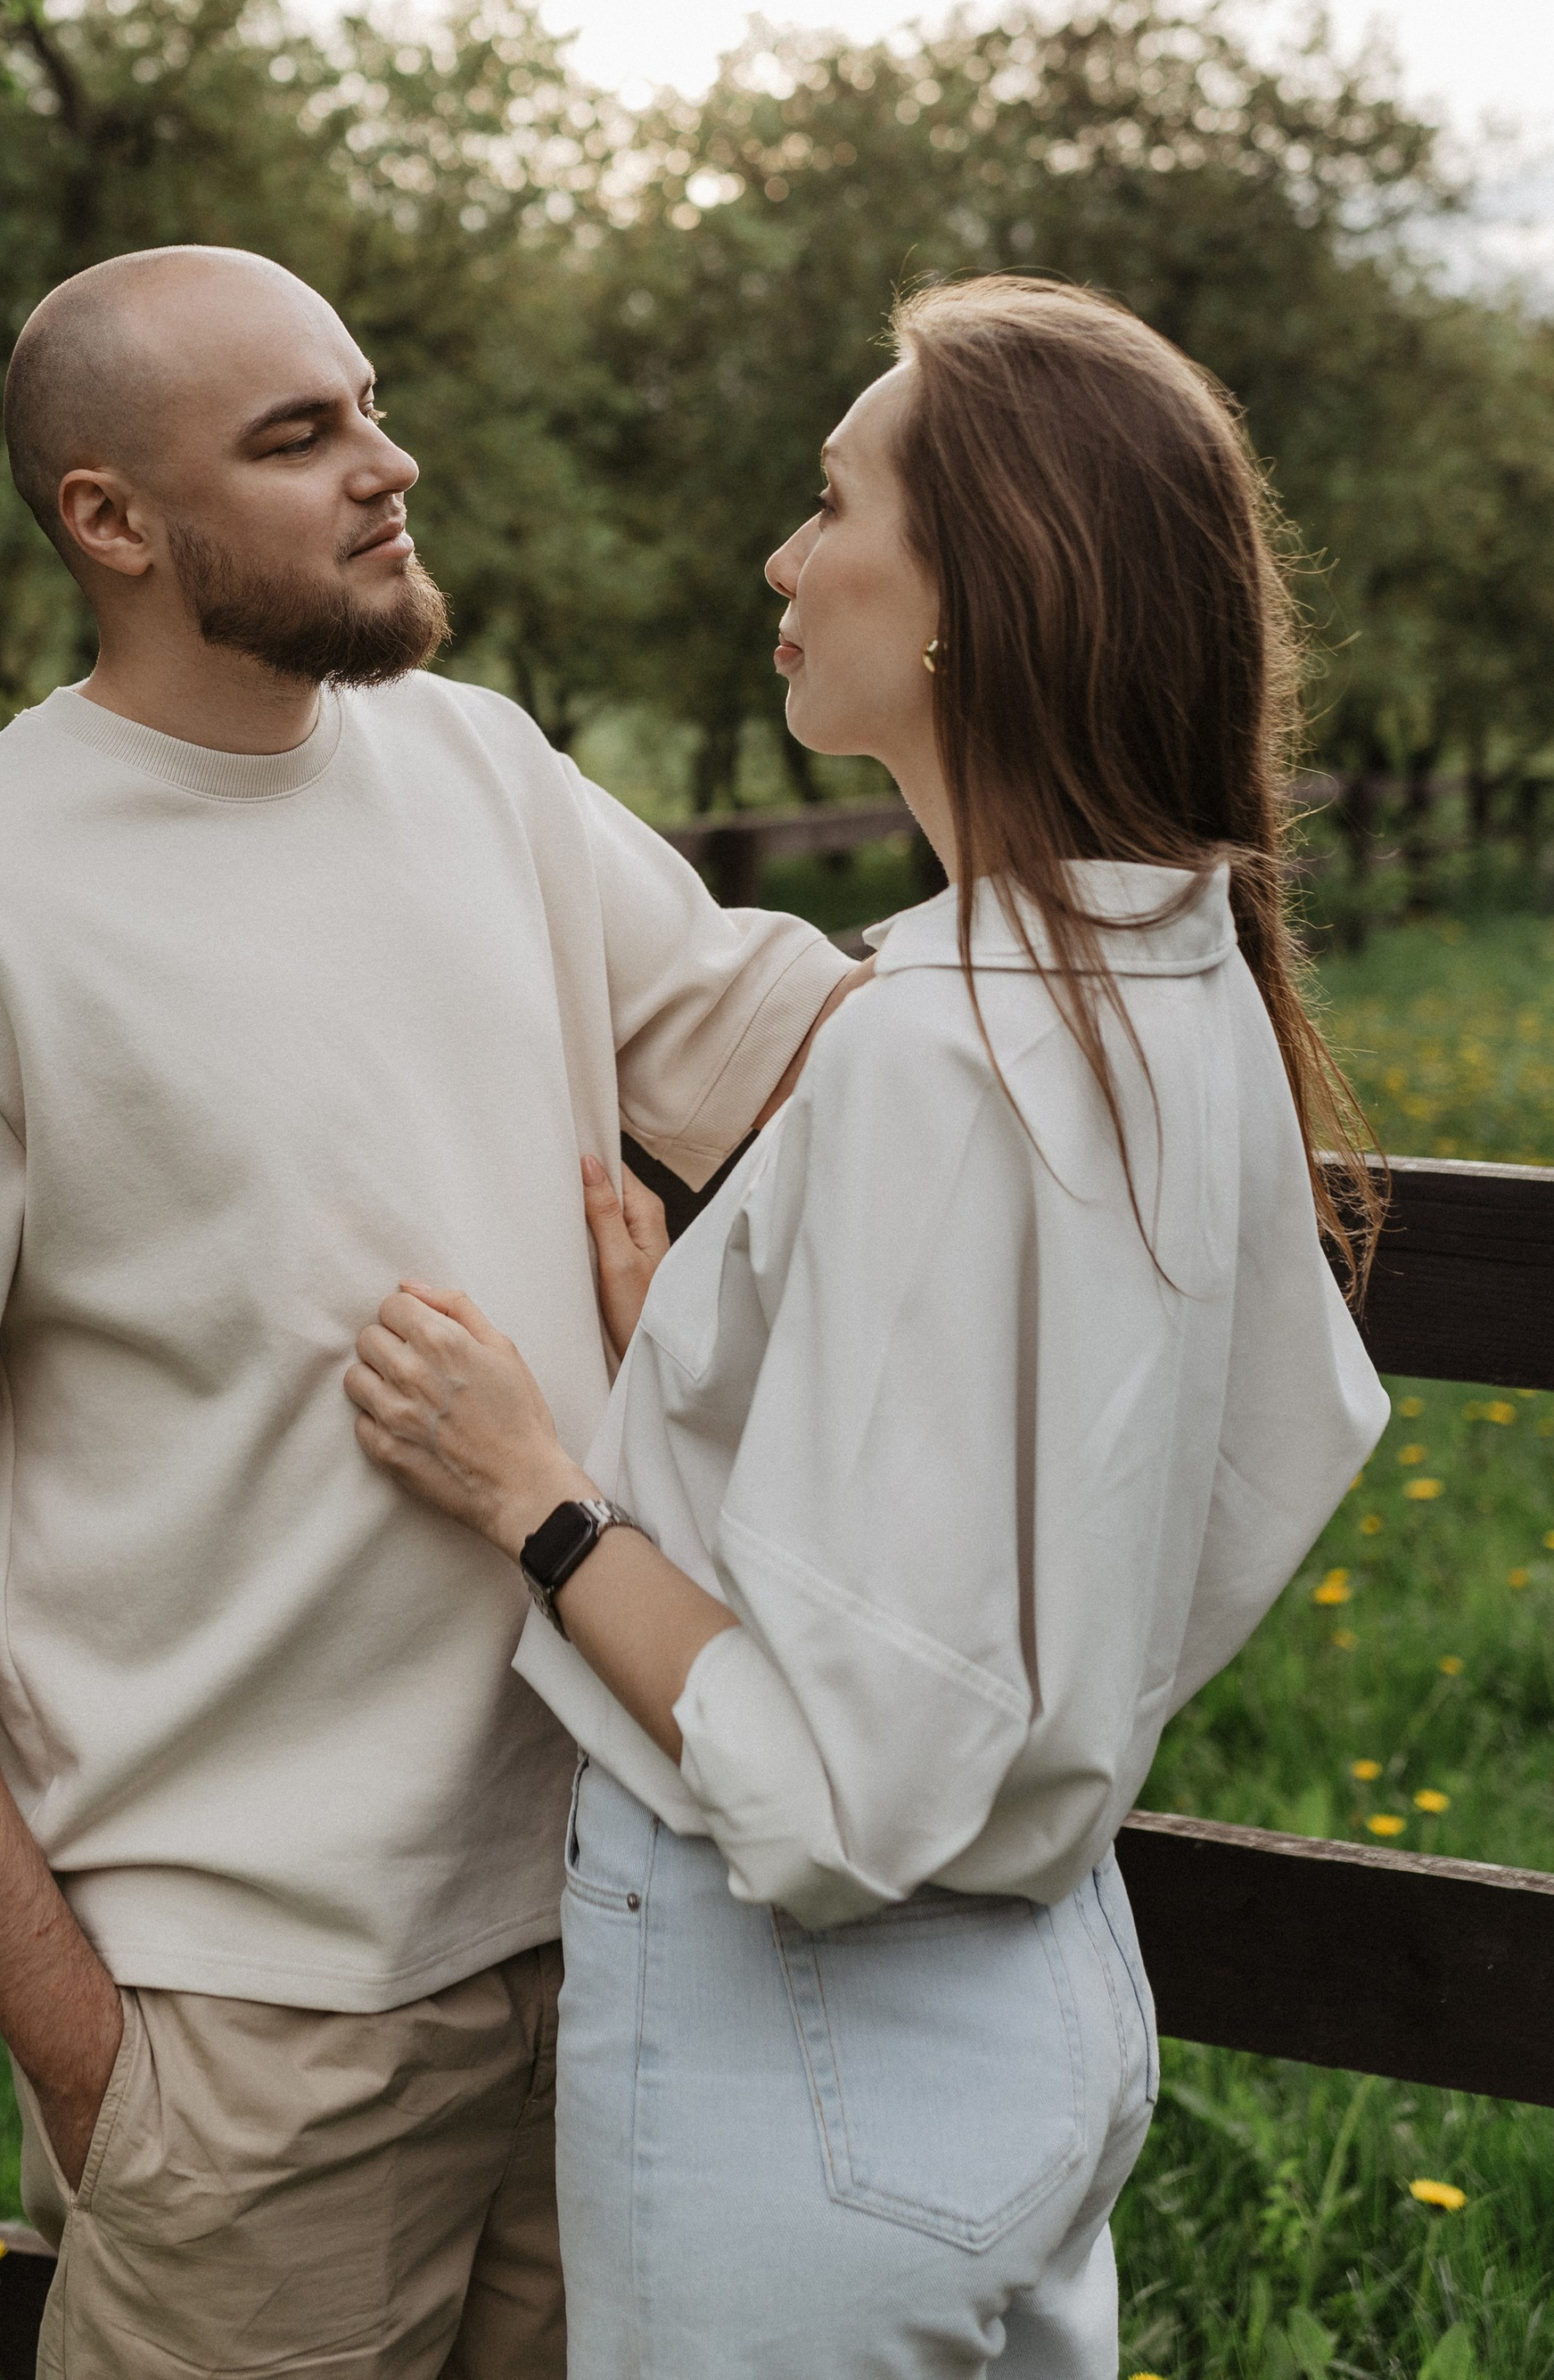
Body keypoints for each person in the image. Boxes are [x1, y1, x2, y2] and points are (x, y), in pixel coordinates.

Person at [0, 243, 864, 2380]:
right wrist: (84, 2052)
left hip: (623, 1921)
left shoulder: (480, 766)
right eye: (298, 435)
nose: (387, 467)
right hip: (252, 2031)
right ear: (109, 520)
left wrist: (1138, 949)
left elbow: (817, 1058)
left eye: (369, 402)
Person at [343, 273, 1390, 2380]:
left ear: (971, 601)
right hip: (1046, 2011)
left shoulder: (935, 1051)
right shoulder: (1175, 980)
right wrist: (713, 1385)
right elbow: (1228, 1457)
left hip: (806, 2066)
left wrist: (541, 1495)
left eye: (832, 501)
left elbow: (842, 1786)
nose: (781, 556)